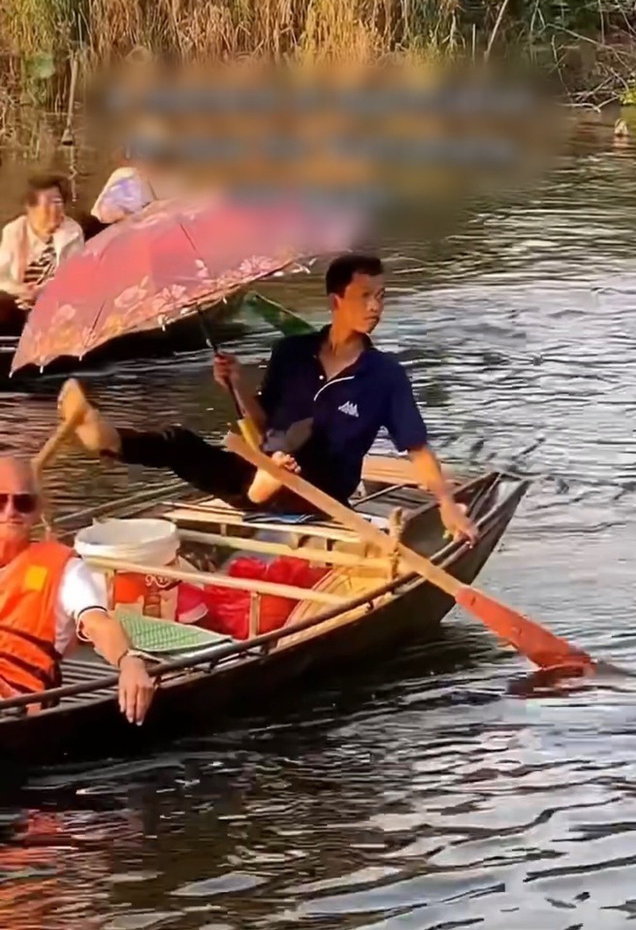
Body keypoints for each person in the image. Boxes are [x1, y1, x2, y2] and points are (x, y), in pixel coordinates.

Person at [58, 253, 478, 543]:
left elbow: (417, 450)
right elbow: (261, 424)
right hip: (261, 466)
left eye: (381, 296)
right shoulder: (290, 353)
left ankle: (267, 484)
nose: (376, 307)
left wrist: (446, 503)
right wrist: (237, 384)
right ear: (336, 302)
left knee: (281, 463)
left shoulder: (384, 376)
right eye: (365, 296)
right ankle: (108, 439)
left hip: (321, 498)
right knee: (181, 442)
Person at [0, 455, 154, 724]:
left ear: (37, 510)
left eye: (23, 503)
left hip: (15, 699)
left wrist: (129, 660)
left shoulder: (66, 570)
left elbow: (97, 623)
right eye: (0, 501)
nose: (11, 512)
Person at [0, 173, 84, 311]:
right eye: (48, 203)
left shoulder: (72, 232)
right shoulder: (14, 231)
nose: (54, 209)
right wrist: (21, 290)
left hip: (56, 302)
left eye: (58, 202)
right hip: (18, 301)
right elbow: (2, 276)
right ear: (30, 207)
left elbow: (74, 276)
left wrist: (43, 291)